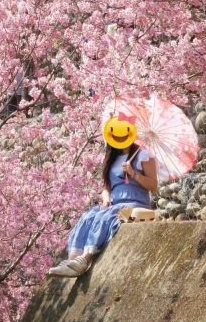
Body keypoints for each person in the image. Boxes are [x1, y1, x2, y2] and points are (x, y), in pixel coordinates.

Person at [48, 113, 158, 278]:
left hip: (134, 202)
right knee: (89, 216)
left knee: (104, 218)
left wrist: (133, 173)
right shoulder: (112, 157)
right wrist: (106, 198)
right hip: (114, 203)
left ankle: (85, 258)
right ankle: (72, 260)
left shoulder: (143, 155)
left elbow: (153, 186)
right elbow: (107, 187)